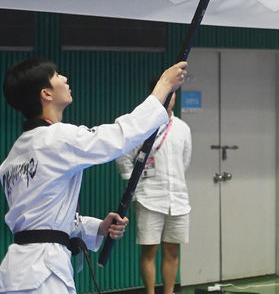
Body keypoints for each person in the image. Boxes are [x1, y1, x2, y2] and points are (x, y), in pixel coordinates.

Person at [0, 55, 187, 294]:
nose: (65, 78)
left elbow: (41, 216)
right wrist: (163, 87)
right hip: (41, 274)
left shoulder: (14, 156)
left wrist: (95, 227)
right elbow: (121, 136)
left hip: (18, 271)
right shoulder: (56, 139)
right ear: (46, 94)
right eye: (57, 75)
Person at [116, 78, 192, 294]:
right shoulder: (143, 126)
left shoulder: (183, 128)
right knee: (150, 251)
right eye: (166, 92)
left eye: (173, 92)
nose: (170, 97)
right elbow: (123, 156)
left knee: (172, 250)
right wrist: (134, 182)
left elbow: (184, 161)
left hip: (178, 199)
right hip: (149, 198)